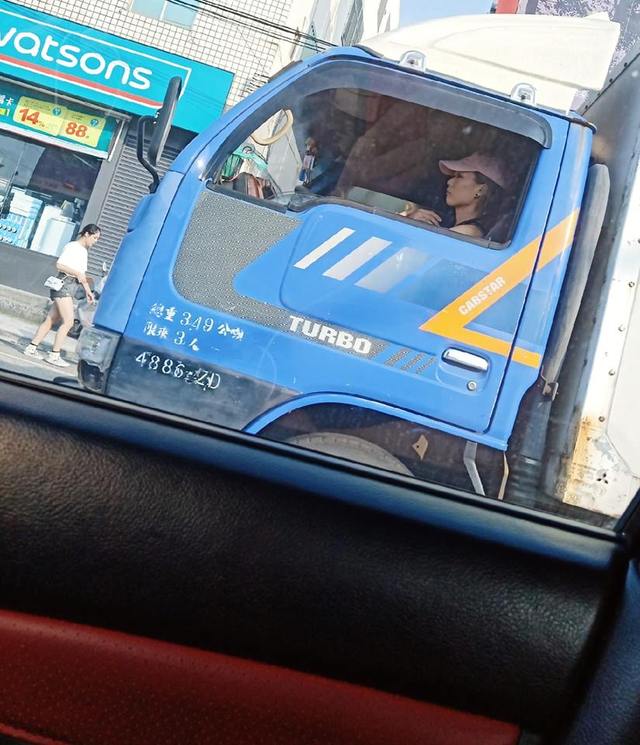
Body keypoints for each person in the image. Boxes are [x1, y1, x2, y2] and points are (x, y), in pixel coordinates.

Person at [24, 224, 101, 368]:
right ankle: (54, 355)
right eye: (95, 237)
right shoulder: (73, 247)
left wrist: (88, 292)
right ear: (86, 234)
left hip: (70, 287)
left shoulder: (84, 251)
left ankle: (31, 348)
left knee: (51, 319)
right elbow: (60, 265)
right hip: (64, 286)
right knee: (68, 322)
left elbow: (82, 275)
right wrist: (76, 273)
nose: (95, 241)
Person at [406, 152, 507, 238]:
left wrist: (410, 225)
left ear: (481, 190)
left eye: (459, 177)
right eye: (453, 176)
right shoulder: (446, 221)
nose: (449, 181)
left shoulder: (468, 232)